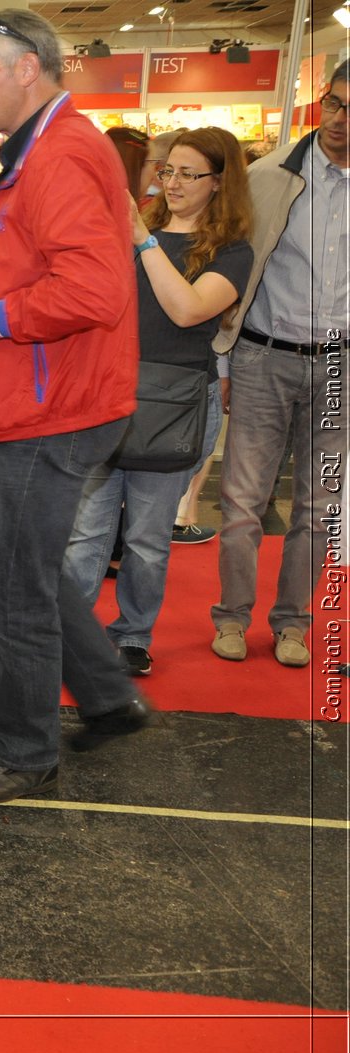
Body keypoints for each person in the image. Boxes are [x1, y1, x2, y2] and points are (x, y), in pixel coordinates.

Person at [0, 9, 149, 804]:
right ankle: (107, 695)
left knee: (15, 584)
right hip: (62, 394)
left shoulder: (58, 153)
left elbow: (92, 287)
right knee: (32, 560)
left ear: (28, 69)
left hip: (55, 404)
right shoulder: (58, 144)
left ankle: (24, 752)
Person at [63, 128, 254, 678]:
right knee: (86, 531)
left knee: (147, 538)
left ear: (220, 183)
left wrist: (142, 240)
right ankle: (72, 634)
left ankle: (131, 637)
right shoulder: (126, 229)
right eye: (168, 170)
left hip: (172, 405)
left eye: (188, 174)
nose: (172, 183)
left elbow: (188, 310)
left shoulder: (230, 252)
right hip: (107, 395)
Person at [210, 60, 350, 669]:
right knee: (242, 499)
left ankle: (293, 622)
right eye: (337, 104)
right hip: (263, 357)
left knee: (321, 507)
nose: (342, 121)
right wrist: (223, 361)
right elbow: (231, 268)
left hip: (339, 366)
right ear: (323, 99)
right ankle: (232, 618)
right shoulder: (268, 178)